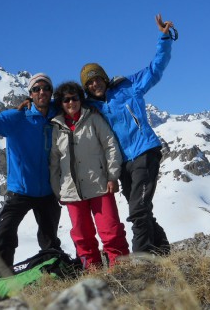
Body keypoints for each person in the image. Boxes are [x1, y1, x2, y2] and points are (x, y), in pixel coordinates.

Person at [79, 13, 176, 255]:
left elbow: (155, 69)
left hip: (144, 150)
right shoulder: (90, 108)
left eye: (97, 79)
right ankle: (163, 252)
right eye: (89, 83)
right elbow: (64, 106)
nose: (94, 84)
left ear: (103, 77)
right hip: (122, 163)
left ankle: (141, 259)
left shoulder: (127, 87)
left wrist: (164, 38)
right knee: (142, 209)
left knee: (138, 210)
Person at [0, 70, 62, 286]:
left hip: (47, 192)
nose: (42, 91)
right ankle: (0, 287)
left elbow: (75, 102)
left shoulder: (57, 116)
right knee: (4, 237)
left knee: (50, 241)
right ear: (30, 94)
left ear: (51, 92)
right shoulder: (16, 118)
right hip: (19, 191)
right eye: (36, 88)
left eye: (46, 88)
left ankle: (54, 277)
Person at [49, 82, 130, 269]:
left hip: (100, 185)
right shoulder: (56, 127)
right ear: (61, 103)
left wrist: (112, 175)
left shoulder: (93, 118)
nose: (71, 102)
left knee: (111, 231)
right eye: (66, 99)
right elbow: (54, 162)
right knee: (82, 236)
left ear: (81, 99)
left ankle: (122, 269)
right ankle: (92, 271)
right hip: (71, 191)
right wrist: (57, 190)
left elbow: (111, 146)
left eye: (75, 98)